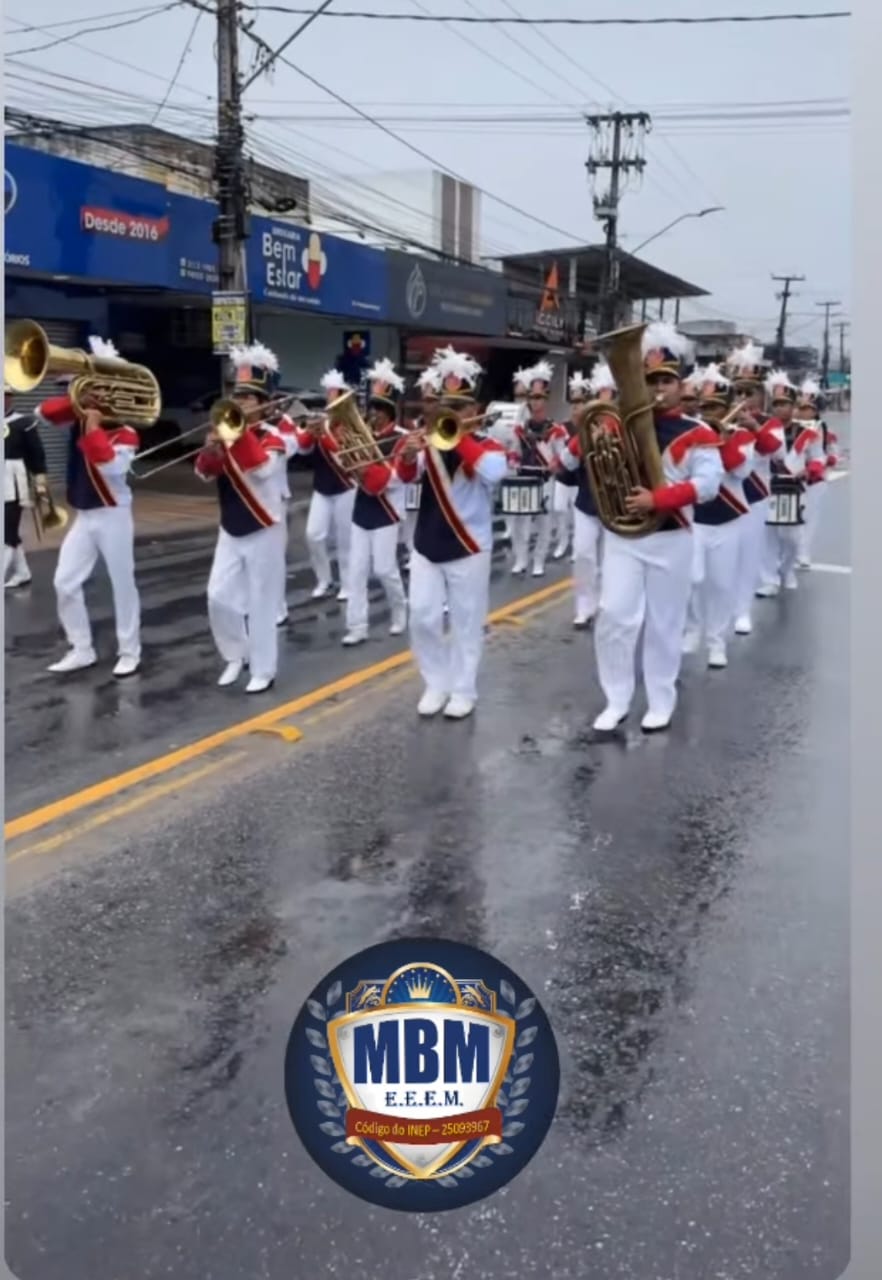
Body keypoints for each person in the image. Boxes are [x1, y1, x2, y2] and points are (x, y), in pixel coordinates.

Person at [587, 322, 723, 733]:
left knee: (665, 623)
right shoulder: (616, 423)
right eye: (650, 379)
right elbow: (587, 463)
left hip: (671, 538)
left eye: (667, 379)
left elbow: (709, 486)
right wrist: (591, 432)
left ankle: (661, 698)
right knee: (614, 616)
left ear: (681, 386)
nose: (658, 387)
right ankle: (616, 698)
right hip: (624, 537)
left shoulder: (698, 433)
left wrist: (658, 499)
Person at [395, 347, 508, 720]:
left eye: (460, 407)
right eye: (447, 406)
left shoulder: (489, 445)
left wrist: (458, 438)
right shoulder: (426, 441)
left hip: (469, 545)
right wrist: (408, 456)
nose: (453, 414)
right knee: (423, 617)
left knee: (465, 622)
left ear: (476, 410)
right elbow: (405, 479)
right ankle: (435, 681)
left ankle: (463, 689)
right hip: (427, 543)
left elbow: (494, 473)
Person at [36, 337, 142, 677]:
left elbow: (112, 470)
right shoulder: (79, 417)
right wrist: (77, 401)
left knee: (122, 583)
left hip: (113, 514)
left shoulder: (126, 432)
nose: (93, 396)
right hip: (85, 515)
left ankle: (130, 650)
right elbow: (42, 412)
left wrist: (95, 430)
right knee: (64, 582)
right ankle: (81, 648)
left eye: (98, 390)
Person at [194, 343, 287, 693]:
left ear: (265, 403)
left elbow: (262, 470)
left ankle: (264, 668)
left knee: (263, 601)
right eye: (239, 394)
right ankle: (237, 654)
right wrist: (211, 449)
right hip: (231, 527)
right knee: (217, 595)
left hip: (264, 527)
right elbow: (205, 474)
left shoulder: (274, 438)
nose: (242, 401)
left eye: (250, 397)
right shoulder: (226, 433)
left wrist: (237, 434)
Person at [682, 364, 754, 669]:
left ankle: (716, 642)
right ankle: (693, 628)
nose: (711, 412)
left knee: (721, 584)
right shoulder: (691, 433)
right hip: (696, 518)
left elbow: (742, 471)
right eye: (706, 406)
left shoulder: (741, 436)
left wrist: (721, 441)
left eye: (717, 407)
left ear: (728, 409)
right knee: (693, 579)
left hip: (729, 519)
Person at [341, 357, 408, 647]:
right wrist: (351, 460)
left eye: (380, 409)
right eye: (371, 409)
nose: (374, 415)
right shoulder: (360, 436)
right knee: (355, 571)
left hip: (387, 511)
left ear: (390, 411)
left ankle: (400, 609)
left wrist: (366, 468)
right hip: (362, 509)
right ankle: (357, 626)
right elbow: (350, 473)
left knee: (384, 569)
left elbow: (395, 478)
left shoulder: (401, 439)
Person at [725, 342, 783, 635]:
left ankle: (742, 610)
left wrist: (753, 427)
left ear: (762, 396)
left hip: (755, 496)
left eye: (751, 392)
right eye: (739, 392)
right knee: (720, 562)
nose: (744, 398)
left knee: (748, 557)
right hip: (723, 497)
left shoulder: (770, 422)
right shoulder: (720, 421)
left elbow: (777, 451)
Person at [758, 370, 825, 594]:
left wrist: (809, 470)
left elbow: (818, 457)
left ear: (793, 405)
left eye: (785, 403)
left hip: (795, 490)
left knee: (792, 537)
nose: (780, 408)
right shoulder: (764, 429)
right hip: (769, 488)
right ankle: (769, 579)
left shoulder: (807, 431)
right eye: (776, 403)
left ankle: (786, 570)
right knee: (768, 535)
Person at [295, 368, 357, 601]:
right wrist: (310, 432)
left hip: (345, 487)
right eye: (329, 393)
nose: (330, 397)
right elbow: (302, 449)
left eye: (334, 394)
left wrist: (324, 435)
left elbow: (344, 456)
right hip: (322, 487)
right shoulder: (321, 419)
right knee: (313, 535)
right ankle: (324, 579)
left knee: (345, 539)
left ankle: (348, 584)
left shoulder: (351, 424)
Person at [557, 368, 611, 629]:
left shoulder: (625, 427)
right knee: (583, 555)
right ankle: (584, 606)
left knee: (611, 559)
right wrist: (585, 436)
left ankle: (607, 602)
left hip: (616, 504)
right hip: (587, 503)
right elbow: (567, 462)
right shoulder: (585, 430)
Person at [507, 361, 566, 577]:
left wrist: (555, 463)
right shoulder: (520, 429)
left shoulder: (556, 430)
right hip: (524, 477)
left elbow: (562, 457)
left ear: (546, 399)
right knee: (519, 522)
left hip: (544, 479)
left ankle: (538, 560)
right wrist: (513, 460)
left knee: (544, 522)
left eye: (539, 397)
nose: (535, 402)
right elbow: (514, 451)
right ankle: (521, 558)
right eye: (532, 397)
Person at [4, 383, 49, 589]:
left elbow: (36, 453)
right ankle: (22, 573)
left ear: (10, 398)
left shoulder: (23, 422)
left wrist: (40, 481)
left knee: (7, 530)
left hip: (13, 481)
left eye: (6, 395)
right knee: (9, 531)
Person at [400, 366, 442, 568]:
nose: (429, 405)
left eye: (433, 400)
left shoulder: (445, 425)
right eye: (426, 400)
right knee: (411, 520)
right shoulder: (417, 424)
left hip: (439, 482)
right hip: (419, 478)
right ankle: (413, 551)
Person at [550, 371, 590, 562]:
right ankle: (562, 541)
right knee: (559, 509)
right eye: (574, 405)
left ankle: (575, 546)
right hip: (562, 477)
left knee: (576, 516)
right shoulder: (562, 426)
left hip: (577, 480)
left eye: (580, 405)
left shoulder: (589, 427)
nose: (576, 409)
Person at [795, 377, 831, 569]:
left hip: (813, 480)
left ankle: (803, 552)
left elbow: (822, 454)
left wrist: (814, 467)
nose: (803, 412)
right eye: (801, 407)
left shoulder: (818, 427)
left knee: (808, 517)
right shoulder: (790, 425)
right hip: (792, 479)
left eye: (808, 408)